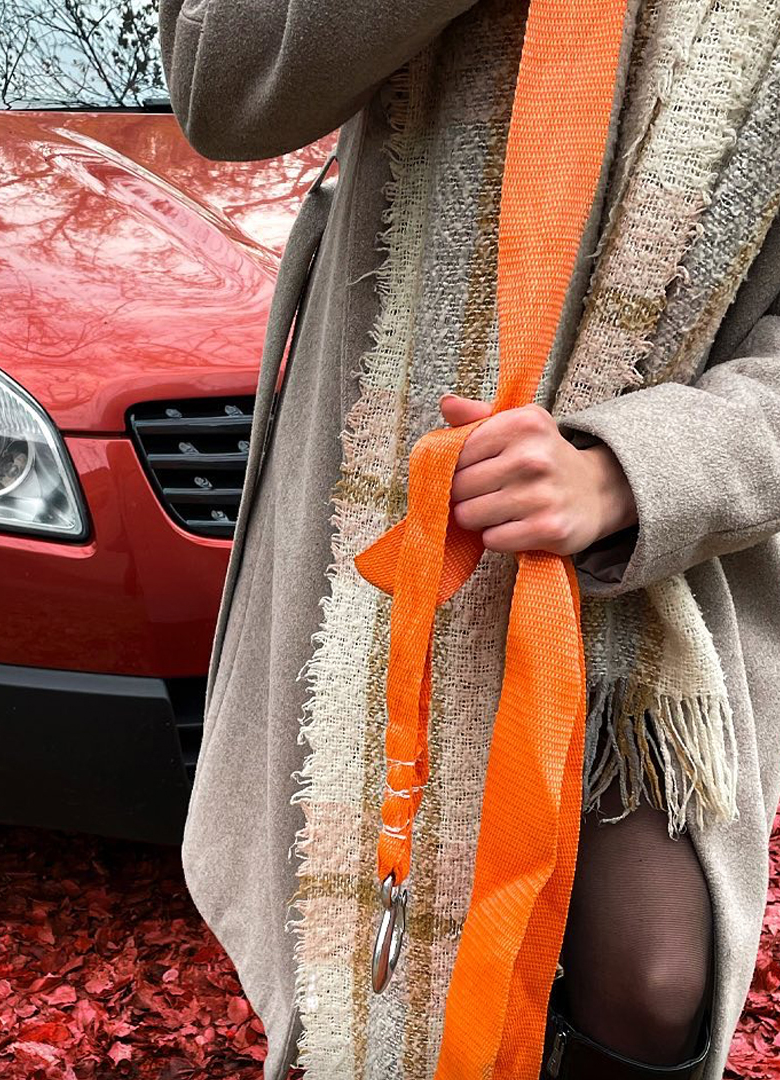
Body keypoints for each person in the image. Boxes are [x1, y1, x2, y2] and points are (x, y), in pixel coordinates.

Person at [159, 1, 780, 1078]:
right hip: (382, 511)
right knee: (375, 970)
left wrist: (629, 471)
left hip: (655, 553)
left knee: (654, 978)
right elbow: (223, 79)